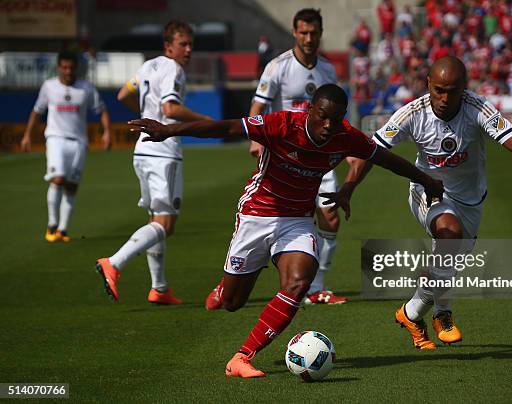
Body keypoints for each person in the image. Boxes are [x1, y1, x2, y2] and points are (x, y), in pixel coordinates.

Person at [130, 83, 444, 377]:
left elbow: (387, 159)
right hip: (257, 214)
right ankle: (224, 289)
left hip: (297, 220)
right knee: (232, 303)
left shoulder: (346, 136)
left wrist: (427, 181)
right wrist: (169, 130)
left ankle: (242, 357)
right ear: (310, 110)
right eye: (323, 118)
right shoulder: (282, 124)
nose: (328, 127)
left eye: (336, 121)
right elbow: (227, 127)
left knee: (298, 281)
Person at [340, 56, 512, 349]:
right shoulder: (412, 114)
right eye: (438, 89)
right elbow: (372, 150)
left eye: (452, 90)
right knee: (449, 235)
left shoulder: (477, 107)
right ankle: (434, 313)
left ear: (464, 87)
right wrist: (348, 189)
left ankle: (418, 314)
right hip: (428, 191)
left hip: (471, 201)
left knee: (448, 261)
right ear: (428, 83)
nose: (444, 97)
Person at [207, 8, 346, 309]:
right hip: (287, 155)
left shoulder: (328, 70)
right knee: (269, 219)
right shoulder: (278, 67)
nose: (309, 39)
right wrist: (257, 140)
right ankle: (231, 276)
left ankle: (317, 288)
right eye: (303, 33)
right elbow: (258, 106)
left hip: (320, 153)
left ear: (320, 34)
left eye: (314, 33)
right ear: (295, 33)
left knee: (330, 217)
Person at [95, 20, 212, 305]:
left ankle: (159, 288)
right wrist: (207, 121)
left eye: (190, 44)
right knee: (165, 224)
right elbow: (170, 107)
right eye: (183, 44)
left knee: (155, 219)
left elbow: (123, 94)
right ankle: (114, 263)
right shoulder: (173, 69)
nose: (188, 49)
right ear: (168, 46)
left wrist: (145, 116)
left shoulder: (149, 66)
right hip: (164, 150)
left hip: (143, 151)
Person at [21, 50, 111, 243]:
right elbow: (37, 111)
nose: (68, 71)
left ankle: (63, 229)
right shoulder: (49, 86)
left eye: (71, 67)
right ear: (59, 67)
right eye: (64, 67)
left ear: (76, 68)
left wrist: (107, 132)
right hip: (56, 139)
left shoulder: (86, 88)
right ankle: (51, 225)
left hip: (79, 142)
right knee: (58, 178)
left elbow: (101, 110)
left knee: (71, 186)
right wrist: (28, 135)